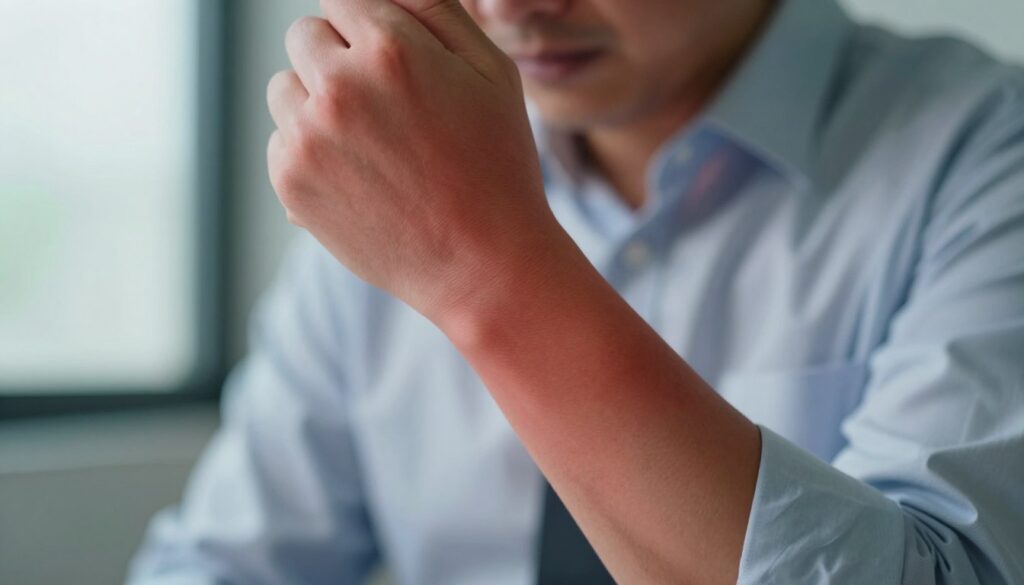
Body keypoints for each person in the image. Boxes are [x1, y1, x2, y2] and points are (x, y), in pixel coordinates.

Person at [128, 0, 1024, 583]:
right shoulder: (388, 167)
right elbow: (220, 561)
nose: (510, 8)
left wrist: (484, 265)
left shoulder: (985, 156)